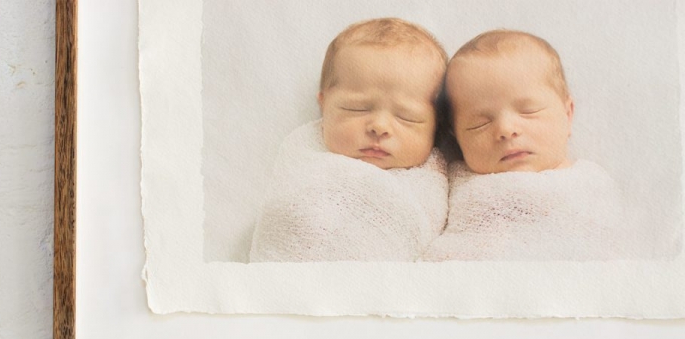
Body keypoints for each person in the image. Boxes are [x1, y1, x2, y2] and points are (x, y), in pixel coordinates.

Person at [250, 18, 449, 262]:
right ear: (323, 104)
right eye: (356, 109)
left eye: (406, 117)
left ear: (437, 124)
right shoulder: (305, 156)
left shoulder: (434, 181)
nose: (380, 127)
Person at [424, 30, 625, 261]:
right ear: (456, 137)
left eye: (528, 111)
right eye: (480, 124)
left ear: (567, 115)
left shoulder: (589, 185)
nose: (506, 130)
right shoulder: (446, 183)